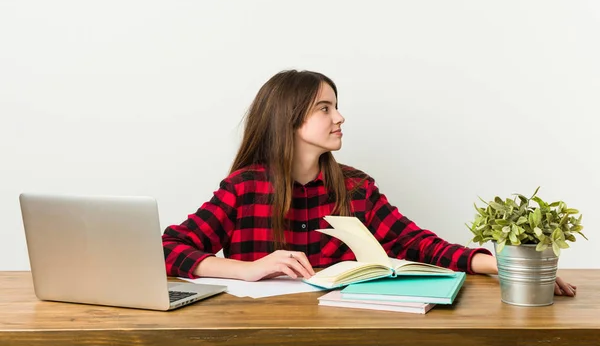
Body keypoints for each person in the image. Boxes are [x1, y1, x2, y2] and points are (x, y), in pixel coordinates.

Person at [162, 70, 576, 297]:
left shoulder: (356, 187)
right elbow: (166, 249)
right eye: (325, 108)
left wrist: (507, 267)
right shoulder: (244, 187)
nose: (340, 117)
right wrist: (249, 270)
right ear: (288, 118)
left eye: (337, 107)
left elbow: (417, 244)